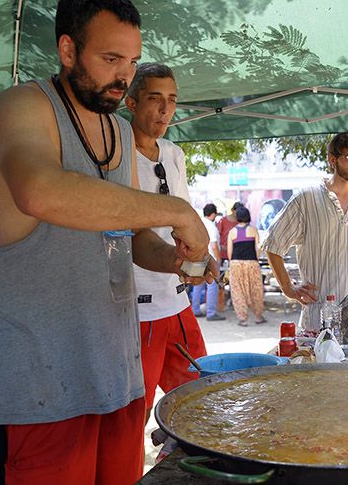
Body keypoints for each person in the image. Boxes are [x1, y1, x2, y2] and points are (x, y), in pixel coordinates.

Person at [0, 0, 214, 485]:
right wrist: (178, 210)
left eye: (132, 60)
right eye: (111, 58)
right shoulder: (22, 105)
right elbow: (41, 190)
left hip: (115, 374)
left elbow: (130, 235)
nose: (125, 74)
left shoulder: (120, 132)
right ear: (68, 50)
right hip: (36, 387)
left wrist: (172, 255)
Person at [124, 62, 210, 430]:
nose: (164, 110)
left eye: (172, 100)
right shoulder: (117, 155)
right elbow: (132, 237)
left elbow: (185, 216)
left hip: (177, 302)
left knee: (200, 399)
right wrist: (180, 259)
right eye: (154, 98)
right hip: (137, 307)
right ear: (131, 103)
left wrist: (204, 255)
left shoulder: (174, 154)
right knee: (135, 412)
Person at [263, 132, 348, 332]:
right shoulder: (306, 199)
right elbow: (273, 244)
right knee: (320, 363)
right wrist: (287, 288)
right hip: (320, 314)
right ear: (332, 160)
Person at [227, 206, 266, 326]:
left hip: (236, 263)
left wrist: (233, 263)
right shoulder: (253, 230)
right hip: (251, 262)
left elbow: (229, 252)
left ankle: (242, 318)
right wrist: (256, 260)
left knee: (238, 290)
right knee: (256, 289)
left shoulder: (232, 232)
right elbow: (258, 249)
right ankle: (258, 316)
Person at [191, 203, 225, 321]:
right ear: (213, 214)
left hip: (196, 257)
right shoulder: (211, 226)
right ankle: (211, 313)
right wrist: (218, 259)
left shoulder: (197, 224)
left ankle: (195, 310)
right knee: (212, 287)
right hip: (209, 259)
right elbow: (214, 245)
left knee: (197, 285)